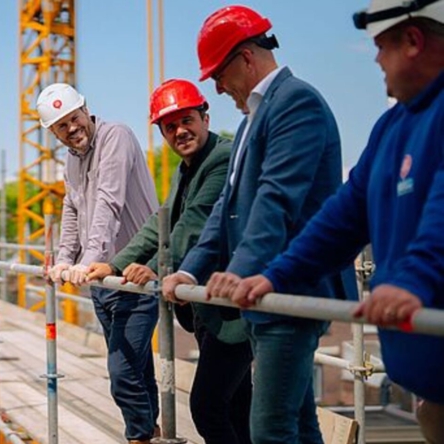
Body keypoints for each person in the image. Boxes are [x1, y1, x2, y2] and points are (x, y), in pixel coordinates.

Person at [228, 1, 444, 442]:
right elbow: (342, 218)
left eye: (381, 46)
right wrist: (276, 275)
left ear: (413, 41)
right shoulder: (393, 126)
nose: (376, 60)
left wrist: (413, 281)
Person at [160, 5, 356, 443]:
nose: (215, 85)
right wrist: (191, 269)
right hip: (267, 295)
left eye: (217, 73)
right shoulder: (253, 117)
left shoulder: (296, 102)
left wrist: (240, 267)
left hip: (291, 290)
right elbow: (225, 209)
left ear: (246, 57)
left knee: (269, 430)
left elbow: (277, 199)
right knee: (300, 425)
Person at [86, 79, 251, 444]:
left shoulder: (221, 159)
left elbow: (194, 224)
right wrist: (115, 264)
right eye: (170, 126)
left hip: (231, 308)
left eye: (187, 120)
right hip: (208, 306)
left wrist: (157, 269)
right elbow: (160, 220)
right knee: (238, 408)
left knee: (208, 408)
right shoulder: (188, 167)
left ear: (205, 117)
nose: (180, 131)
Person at [37, 83, 160, 444]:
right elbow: (72, 210)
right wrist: (63, 260)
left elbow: (110, 203)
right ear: (53, 133)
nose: (71, 128)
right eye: (61, 125)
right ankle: (152, 431)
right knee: (137, 369)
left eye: (73, 118)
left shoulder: (116, 137)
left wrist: (87, 261)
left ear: (86, 109)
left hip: (133, 275)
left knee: (121, 373)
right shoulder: (72, 160)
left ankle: (138, 437)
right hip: (102, 284)